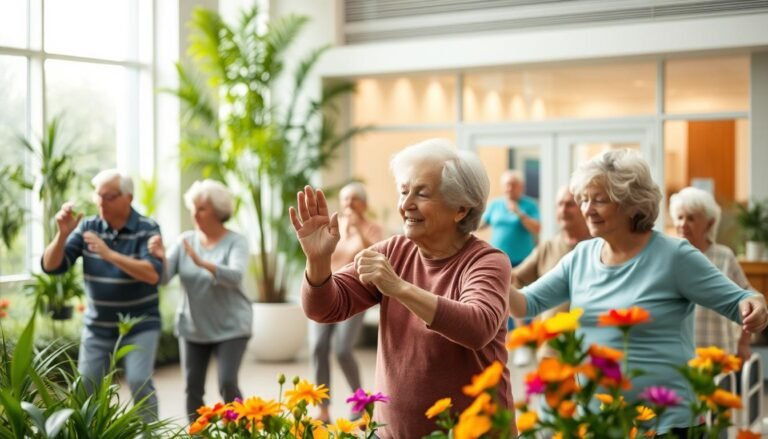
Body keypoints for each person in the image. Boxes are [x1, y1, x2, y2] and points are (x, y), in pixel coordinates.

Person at [508, 150, 768, 436]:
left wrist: (755, 303)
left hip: (667, 424)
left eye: (599, 200)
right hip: (600, 423)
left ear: (632, 204)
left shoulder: (674, 256)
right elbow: (525, 304)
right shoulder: (580, 257)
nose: (587, 209)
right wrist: (495, 277)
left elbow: (739, 299)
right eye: (584, 199)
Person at [290, 138, 514, 438]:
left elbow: (478, 326)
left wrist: (398, 287)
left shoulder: (487, 261)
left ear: (460, 209)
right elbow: (325, 308)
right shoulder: (393, 250)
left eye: (421, 194)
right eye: (404, 191)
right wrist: (318, 261)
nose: (406, 204)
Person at [42, 169, 163, 422]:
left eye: (109, 196)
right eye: (98, 196)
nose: (101, 202)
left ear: (128, 198)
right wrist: (62, 235)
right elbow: (51, 266)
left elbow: (152, 274)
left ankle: (148, 433)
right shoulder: (88, 227)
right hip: (98, 327)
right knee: (85, 387)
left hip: (140, 324)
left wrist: (110, 255)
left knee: (140, 380)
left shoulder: (147, 228)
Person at [148, 179, 251, 422]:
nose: (195, 213)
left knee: (227, 383)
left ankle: (243, 431)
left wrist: (201, 262)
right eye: (193, 207)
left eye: (201, 208)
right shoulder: (185, 241)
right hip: (193, 327)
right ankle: (198, 434)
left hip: (232, 326)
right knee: (192, 389)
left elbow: (235, 276)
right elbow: (163, 278)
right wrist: (161, 257)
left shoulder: (236, 242)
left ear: (218, 211)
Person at [310, 182, 383, 422]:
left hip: (354, 296)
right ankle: (323, 408)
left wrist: (358, 230)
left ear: (364, 204)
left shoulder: (372, 229)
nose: (348, 204)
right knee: (318, 347)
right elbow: (323, 253)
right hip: (326, 290)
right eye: (345, 199)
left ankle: (360, 400)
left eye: (354, 199)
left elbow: (374, 257)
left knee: (342, 349)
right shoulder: (335, 225)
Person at [670, 186, 754, 360]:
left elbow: (750, 299)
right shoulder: (669, 256)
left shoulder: (724, 256)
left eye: (691, 218)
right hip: (679, 355)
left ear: (709, 223)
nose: (683, 224)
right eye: (679, 217)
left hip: (719, 354)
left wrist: (744, 342)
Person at [510, 185, 591, 360]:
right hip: (550, 351)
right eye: (559, 204)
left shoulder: (598, 247)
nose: (563, 210)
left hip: (588, 349)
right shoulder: (547, 247)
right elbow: (514, 279)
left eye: (570, 204)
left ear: (584, 208)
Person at [481, 169, 541, 366]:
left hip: (522, 262)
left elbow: (538, 228)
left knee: (520, 300)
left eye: (512, 185)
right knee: (501, 301)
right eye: (506, 184)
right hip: (498, 260)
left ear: (521, 187)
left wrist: (519, 213)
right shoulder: (495, 205)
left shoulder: (529, 205)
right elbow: (480, 224)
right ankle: (507, 343)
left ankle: (522, 343)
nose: (508, 188)